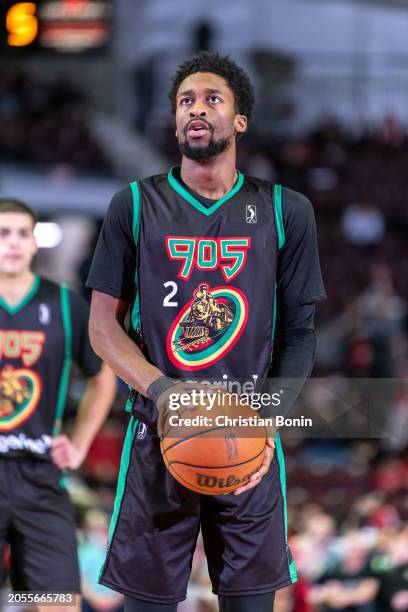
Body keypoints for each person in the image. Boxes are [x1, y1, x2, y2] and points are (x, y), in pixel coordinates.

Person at [87, 52, 326, 612]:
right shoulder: (135, 205)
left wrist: (265, 423)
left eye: (212, 99)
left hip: (248, 435)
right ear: (174, 122)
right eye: (185, 101)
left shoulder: (286, 210)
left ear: (240, 119)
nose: (197, 109)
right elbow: (103, 328)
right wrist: (165, 393)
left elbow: (301, 332)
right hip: (156, 430)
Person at [0, 198, 116, 610]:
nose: (12, 242)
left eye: (21, 234)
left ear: (34, 244)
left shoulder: (65, 305)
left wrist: (80, 442)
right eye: (2, 233)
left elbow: (104, 376)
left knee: (58, 602)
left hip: (40, 479)